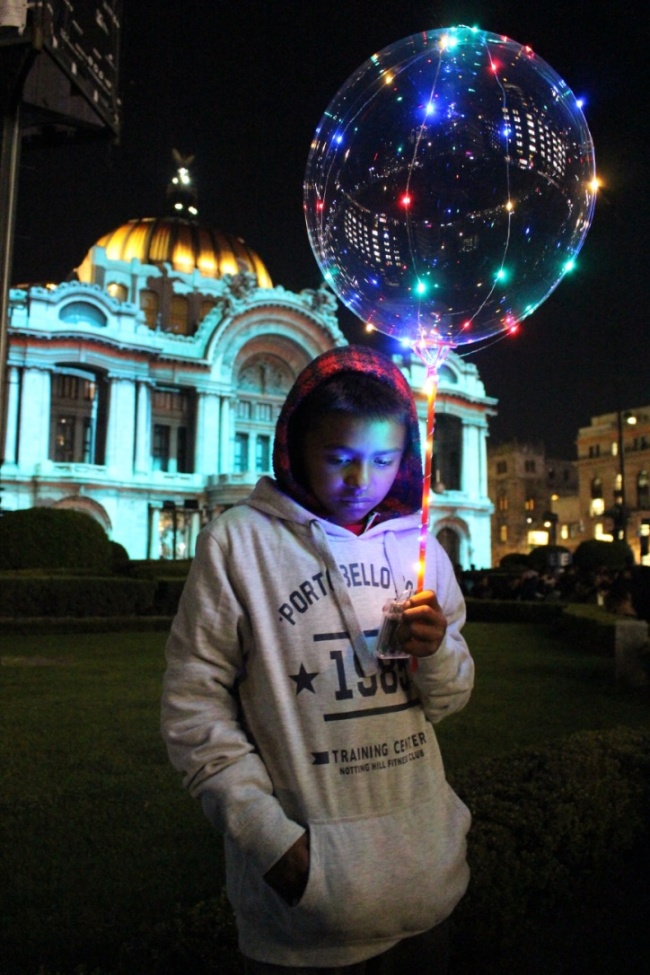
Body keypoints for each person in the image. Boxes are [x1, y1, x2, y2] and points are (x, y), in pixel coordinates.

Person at [161, 345, 474, 974]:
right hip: (302, 925)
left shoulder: (419, 547)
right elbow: (194, 705)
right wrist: (272, 843)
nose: (363, 482)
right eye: (340, 459)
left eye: (383, 460)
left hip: (428, 883)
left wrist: (437, 651)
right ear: (297, 446)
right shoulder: (239, 543)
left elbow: (450, 698)